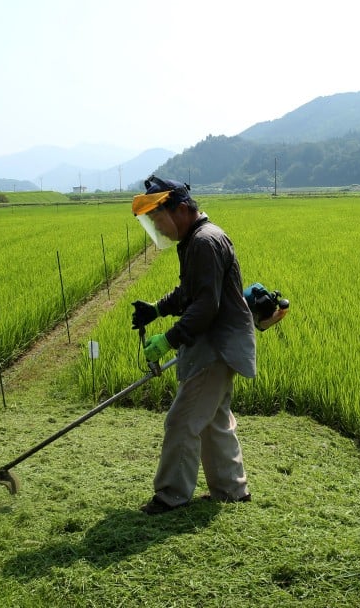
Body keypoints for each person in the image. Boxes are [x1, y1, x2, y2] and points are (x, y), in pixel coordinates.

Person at [130, 174, 260, 515]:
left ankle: (171, 495)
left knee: (182, 421)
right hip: (219, 342)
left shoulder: (204, 242)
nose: (159, 228)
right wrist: (157, 309)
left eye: (159, 219)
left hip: (216, 345)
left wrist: (168, 339)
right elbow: (189, 293)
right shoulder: (195, 241)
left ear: (183, 209)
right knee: (214, 420)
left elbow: (205, 306)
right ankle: (232, 490)